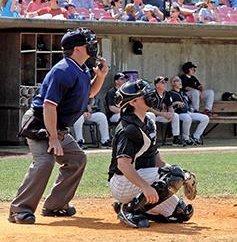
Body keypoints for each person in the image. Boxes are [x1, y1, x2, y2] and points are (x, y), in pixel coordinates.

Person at [8, 27, 108, 224]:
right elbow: (49, 105)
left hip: (56, 126)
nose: (93, 47)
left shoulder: (82, 69)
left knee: (77, 159)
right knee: (44, 162)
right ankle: (19, 210)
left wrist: (101, 76)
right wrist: (53, 138)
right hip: (40, 123)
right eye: (88, 43)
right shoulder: (63, 70)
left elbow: (89, 93)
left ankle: (56, 205)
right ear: (78, 48)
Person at [109, 80, 197, 228]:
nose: (150, 96)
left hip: (140, 177)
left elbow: (155, 158)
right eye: (145, 95)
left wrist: (181, 175)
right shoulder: (128, 128)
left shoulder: (149, 120)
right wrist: (145, 187)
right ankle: (130, 210)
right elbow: (123, 165)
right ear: (133, 102)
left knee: (181, 212)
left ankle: (130, 206)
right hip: (123, 181)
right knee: (174, 175)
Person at [170, 76, 210, 145]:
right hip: (178, 113)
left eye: (180, 80)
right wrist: (175, 103)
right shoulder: (170, 93)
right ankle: (186, 138)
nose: (180, 82)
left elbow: (188, 103)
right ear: (173, 83)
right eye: (177, 80)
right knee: (187, 118)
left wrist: (191, 108)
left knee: (205, 118)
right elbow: (168, 105)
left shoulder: (183, 93)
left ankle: (196, 137)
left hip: (188, 112)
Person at [147, 76, 185, 147]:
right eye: (162, 82)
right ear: (157, 85)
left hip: (160, 116)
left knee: (175, 116)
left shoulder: (166, 94)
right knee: (150, 115)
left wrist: (171, 114)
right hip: (150, 116)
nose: (165, 84)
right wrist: (162, 114)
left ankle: (176, 140)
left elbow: (170, 107)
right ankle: (152, 140)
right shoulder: (151, 94)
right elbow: (149, 108)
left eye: (165, 82)